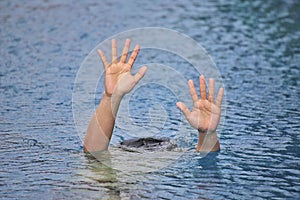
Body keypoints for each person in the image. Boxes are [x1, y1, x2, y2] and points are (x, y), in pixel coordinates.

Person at [83, 39, 224, 153]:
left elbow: (207, 163)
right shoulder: (119, 158)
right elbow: (93, 152)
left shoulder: (172, 158)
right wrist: (111, 97)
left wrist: (206, 133)